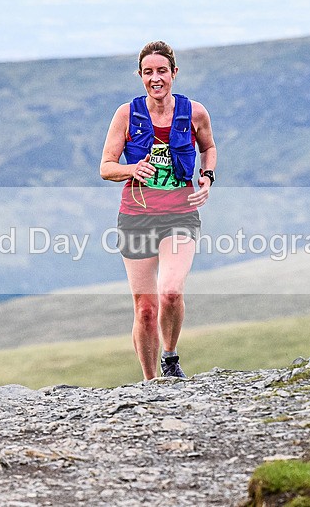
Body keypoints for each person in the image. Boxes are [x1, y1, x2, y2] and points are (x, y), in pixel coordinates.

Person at [100, 40, 218, 380]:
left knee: (170, 292)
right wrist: (131, 169)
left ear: (174, 73)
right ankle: (150, 383)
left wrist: (207, 177)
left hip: (181, 213)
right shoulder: (126, 114)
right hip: (136, 217)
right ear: (140, 76)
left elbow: (209, 147)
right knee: (146, 309)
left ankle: (170, 357)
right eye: (148, 72)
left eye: (162, 71)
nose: (156, 78)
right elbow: (106, 167)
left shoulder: (195, 112)